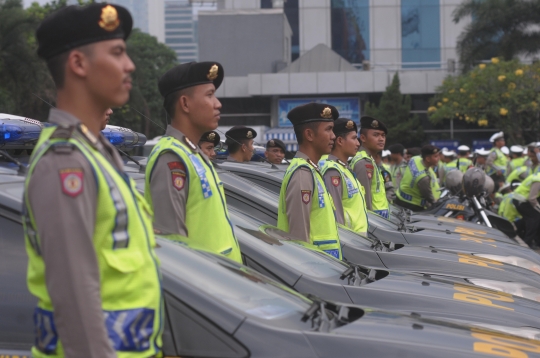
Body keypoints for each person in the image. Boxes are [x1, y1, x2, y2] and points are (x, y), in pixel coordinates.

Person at [24, 4, 162, 357]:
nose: (129, 65)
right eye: (117, 53)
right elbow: (74, 294)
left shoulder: (95, 150)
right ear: (78, 64)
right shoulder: (64, 162)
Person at [145, 61, 242, 263]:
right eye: (209, 95)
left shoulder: (193, 153)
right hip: (205, 284)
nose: (218, 103)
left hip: (222, 283)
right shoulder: (172, 158)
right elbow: (173, 250)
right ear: (185, 104)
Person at [277, 103, 342, 259]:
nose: (333, 136)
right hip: (317, 270)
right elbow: (299, 240)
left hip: (327, 268)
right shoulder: (302, 174)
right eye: (328, 129)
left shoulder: (311, 169)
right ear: (309, 135)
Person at [320, 119, 369, 235]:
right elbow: (336, 217)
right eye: (353, 138)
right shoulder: (333, 171)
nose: (358, 143)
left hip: (358, 239)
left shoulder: (344, 168)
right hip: (349, 241)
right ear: (340, 141)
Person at [350, 116, 389, 218]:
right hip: (374, 225)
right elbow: (365, 203)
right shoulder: (363, 162)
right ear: (363, 138)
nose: (381, 139)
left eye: (383, 135)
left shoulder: (369, 159)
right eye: (376, 135)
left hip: (380, 222)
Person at [395, 145, 441, 212]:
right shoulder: (423, 178)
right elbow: (429, 197)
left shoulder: (415, 159)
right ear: (428, 159)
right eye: (436, 156)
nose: (438, 158)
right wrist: (437, 204)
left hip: (400, 198)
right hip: (412, 206)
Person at [507, 173, 540, 249]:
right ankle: (527, 242)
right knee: (535, 218)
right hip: (521, 201)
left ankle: (516, 231)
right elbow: (532, 199)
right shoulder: (538, 180)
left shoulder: (537, 176)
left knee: (529, 219)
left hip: (522, 199)